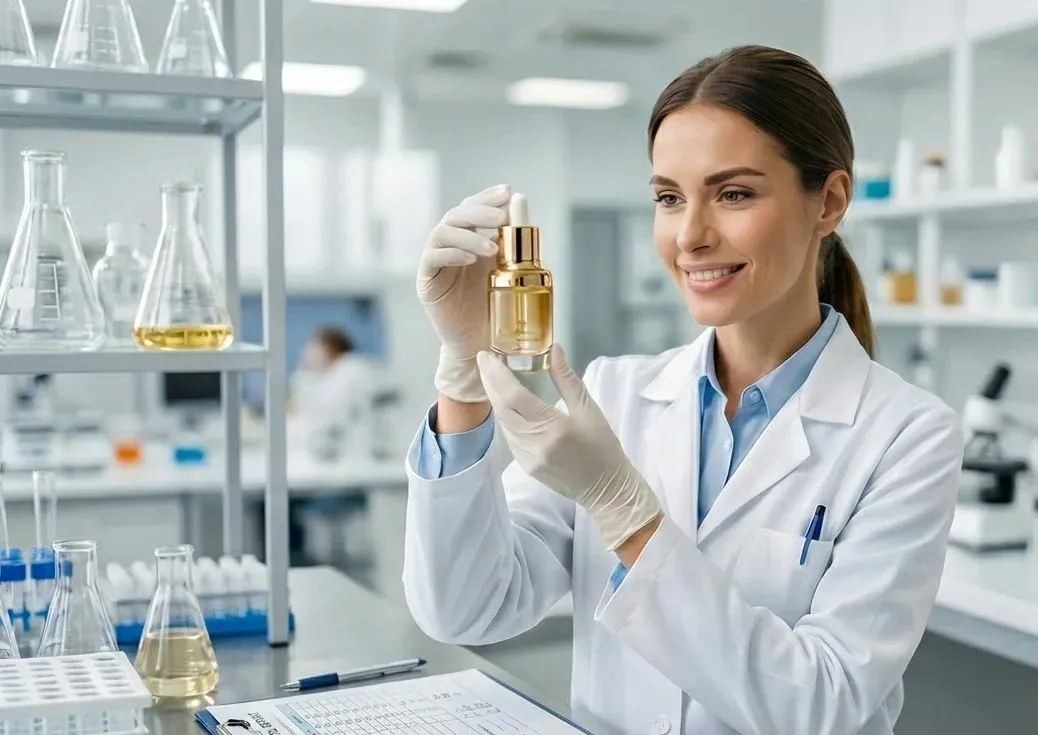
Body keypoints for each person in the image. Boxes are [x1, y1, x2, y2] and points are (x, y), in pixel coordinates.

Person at [404, 45, 963, 735]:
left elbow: (823, 703)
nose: (690, 236)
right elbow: (467, 607)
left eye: (733, 193)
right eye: (669, 198)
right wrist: (463, 368)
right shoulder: (615, 391)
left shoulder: (908, 434)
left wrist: (627, 513)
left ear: (830, 201)